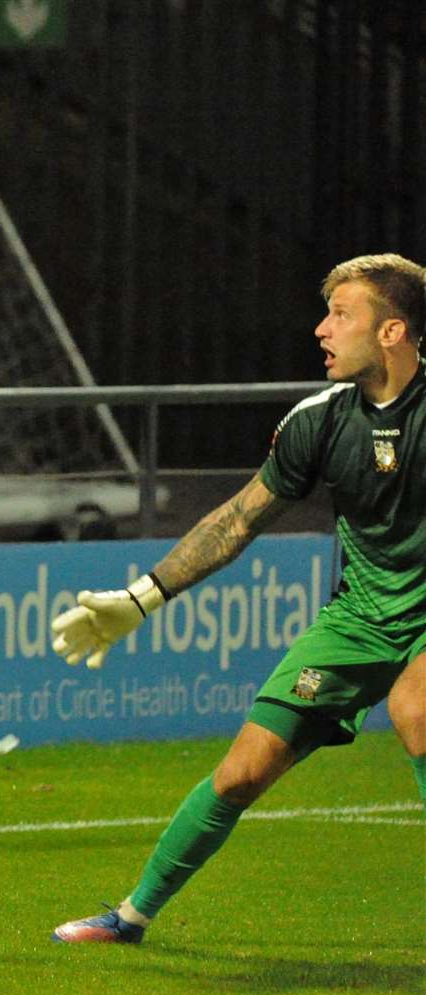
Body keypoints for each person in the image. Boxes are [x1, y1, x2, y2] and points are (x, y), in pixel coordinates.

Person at [49, 253, 426, 944]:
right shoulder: (320, 421)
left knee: (416, 708)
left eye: (342, 315)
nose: (321, 329)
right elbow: (238, 519)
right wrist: (140, 600)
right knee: (239, 774)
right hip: (362, 617)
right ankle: (130, 918)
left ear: (393, 332)